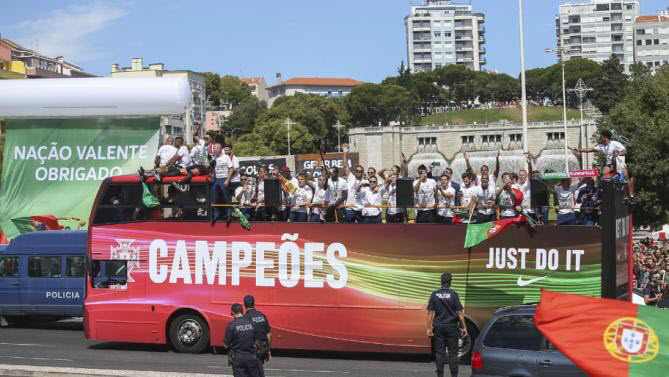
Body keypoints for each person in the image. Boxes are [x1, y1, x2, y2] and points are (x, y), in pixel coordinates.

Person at [572, 129, 634, 202]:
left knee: (626, 177)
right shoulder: (601, 146)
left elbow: (625, 151)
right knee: (601, 175)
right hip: (610, 165)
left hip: (619, 163)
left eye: (601, 136)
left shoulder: (615, 143)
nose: (600, 138)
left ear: (605, 137)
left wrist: (618, 154)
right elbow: (591, 149)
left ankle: (630, 195)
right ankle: (601, 193)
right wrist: (579, 150)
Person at [427, 272, 467, 377]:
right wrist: (464, 327)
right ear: (450, 282)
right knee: (453, 354)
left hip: (439, 328)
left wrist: (429, 328)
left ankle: (440, 375)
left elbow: (430, 313)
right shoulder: (454, 294)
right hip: (452, 328)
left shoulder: (434, 294)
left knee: (439, 353)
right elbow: (459, 312)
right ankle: (454, 375)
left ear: (441, 282)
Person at [223, 303, 261, 377]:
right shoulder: (252, 323)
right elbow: (257, 340)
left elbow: (225, 345)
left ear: (233, 312)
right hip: (251, 356)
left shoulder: (231, 325)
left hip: (238, 357)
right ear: (242, 311)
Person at [243, 295, 271, 377]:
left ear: (244, 305)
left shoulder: (245, 318)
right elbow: (269, 334)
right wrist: (268, 350)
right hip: (263, 348)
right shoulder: (262, 315)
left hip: (252, 350)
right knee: (259, 368)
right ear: (254, 303)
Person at [343, 145, 366, 223]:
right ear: (355, 171)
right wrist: (345, 153)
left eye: (360, 171)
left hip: (360, 208)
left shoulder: (365, 182)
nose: (358, 172)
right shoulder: (351, 177)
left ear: (362, 172)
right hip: (349, 208)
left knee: (360, 229)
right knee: (348, 228)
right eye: (357, 171)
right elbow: (345, 165)